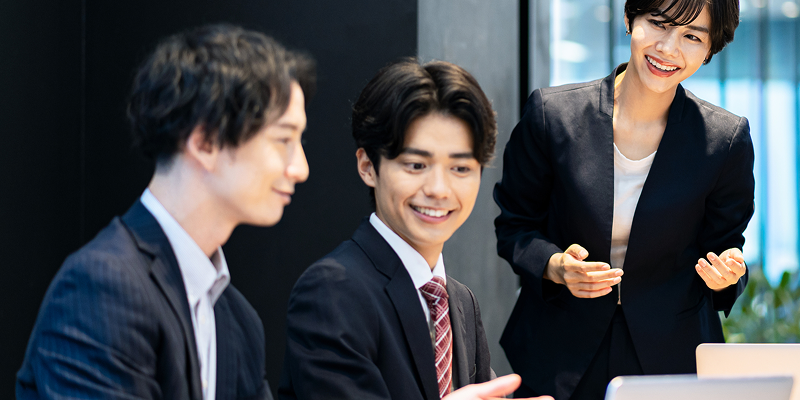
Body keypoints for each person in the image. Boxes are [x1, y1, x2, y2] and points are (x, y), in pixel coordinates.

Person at [16, 25, 314, 400]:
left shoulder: (238, 321)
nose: (300, 168)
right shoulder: (104, 286)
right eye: (283, 140)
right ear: (205, 140)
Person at [494, 0, 753, 398]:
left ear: (710, 49)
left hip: (672, 355)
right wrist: (556, 266)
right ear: (631, 20)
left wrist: (727, 275)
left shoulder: (724, 140)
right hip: (559, 349)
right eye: (658, 23)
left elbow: (724, 250)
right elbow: (515, 226)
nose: (668, 48)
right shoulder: (552, 115)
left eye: (691, 36)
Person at [278, 60, 549, 400]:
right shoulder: (332, 291)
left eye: (461, 167)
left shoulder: (460, 301)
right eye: (416, 165)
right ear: (368, 167)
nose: (438, 188)